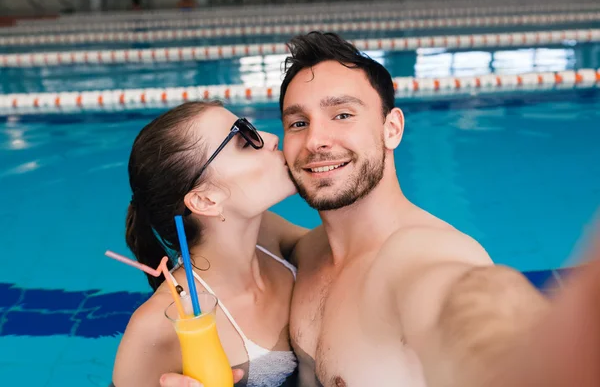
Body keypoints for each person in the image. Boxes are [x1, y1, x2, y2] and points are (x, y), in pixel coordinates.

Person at [160, 31, 600, 387]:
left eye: (343, 115)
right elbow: (208, 231)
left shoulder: (419, 255)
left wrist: (532, 358)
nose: (316, 141)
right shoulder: (303, 253)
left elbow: (468, 308)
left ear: (392, 128)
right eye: (298, 123)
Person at [110, 101, 308, 387]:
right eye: (243, 141)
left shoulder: (270, 234)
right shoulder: (159, 324)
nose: (271, 138)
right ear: (205, 200)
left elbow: (350, 253)